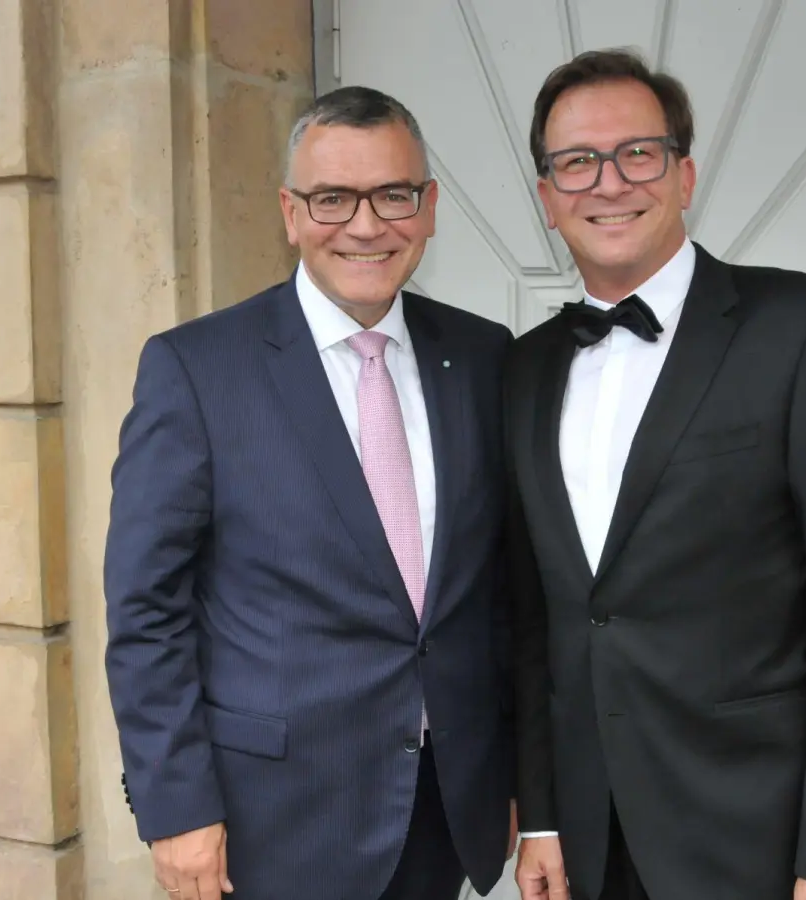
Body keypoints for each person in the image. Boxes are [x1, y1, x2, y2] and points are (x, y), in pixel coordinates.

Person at [506, 49, 806, 900]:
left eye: (638, 153)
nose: (609, 182)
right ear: (547, 198)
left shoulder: (805, 328)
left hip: (761, 841)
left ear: (684, 175)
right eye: (577, 162)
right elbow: (537, 618)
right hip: (590, 845)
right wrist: (541, 816)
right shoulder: (522, 370)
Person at [103, 85, 517, 900]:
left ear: (429, 207)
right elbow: (147, 609)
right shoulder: (196, 369)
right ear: (291, 213)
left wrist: (512, 778)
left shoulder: (481, 357)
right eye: (333, 199)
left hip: (444, 807)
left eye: (393, 195)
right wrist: (176, 807)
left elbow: (500, 593)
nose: (366, 226)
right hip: (274, 822)